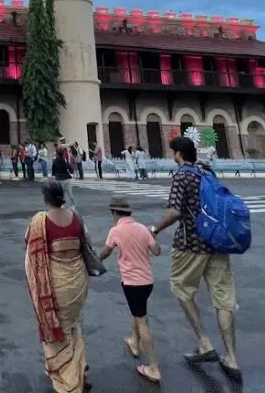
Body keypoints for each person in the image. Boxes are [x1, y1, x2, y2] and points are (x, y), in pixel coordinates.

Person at [150, 136, 241, 382]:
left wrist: (154, 229)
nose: (173, 156)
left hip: (191, 244)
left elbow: (175, 210)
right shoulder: (205, 173)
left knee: (182, 288)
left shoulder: (182, 175)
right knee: (223, 299)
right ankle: (231, 357)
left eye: (173, 152)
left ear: (179, 153)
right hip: (217, 244)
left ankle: (204, 342)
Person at [25, 180, 92, 392]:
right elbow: (86, 243)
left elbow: (27, 241)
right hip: (78, 281)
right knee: (72, 325)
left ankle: (72, 383)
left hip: (57, 283)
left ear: (45, 198)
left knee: (60, 332)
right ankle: (80, 371)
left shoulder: (40, 220)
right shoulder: (76, 217)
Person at [99, 195, 162, 384]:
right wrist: (152, 237)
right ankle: (134, 342)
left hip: (132, 284)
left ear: (115, 212)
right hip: (147, 281)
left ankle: (153, 368)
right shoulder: (142, 228)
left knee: (142, 321)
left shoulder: (116, 230)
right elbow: (156, 251)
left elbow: (105, 252)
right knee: (138, 312)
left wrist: (92, 261)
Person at [51, 146, 76, 210]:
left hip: (59, 178)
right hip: (66, 178)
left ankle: (63, 205)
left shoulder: (55, 160)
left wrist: (54, 175)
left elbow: (53, 170)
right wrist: (71, 171)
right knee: (69, 192)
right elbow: (69, 167)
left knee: (62, 193)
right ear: (62, 153)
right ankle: (72, 205)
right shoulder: (64, 159)